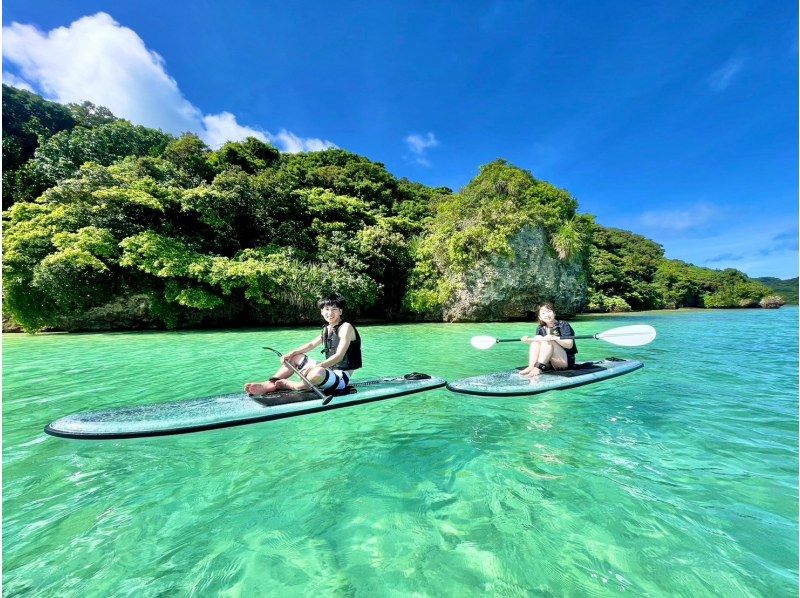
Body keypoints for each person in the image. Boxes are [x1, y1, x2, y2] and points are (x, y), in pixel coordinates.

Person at [244, 295, 362, 396]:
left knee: (317, 372)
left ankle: (296, 386)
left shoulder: (346, 327)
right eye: (326, 309)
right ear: (321, 311)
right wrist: (292, 353)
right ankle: (271, 383)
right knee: (295, 358)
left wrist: (317, 367)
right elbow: (311, 345)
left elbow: (339, 356)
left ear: (340, 311)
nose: (330, 313)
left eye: (334, 309)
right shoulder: (327, 329)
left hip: (341, 378)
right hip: (329, 371)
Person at [519, 303, 578, 378]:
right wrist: (527, 341)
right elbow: (539, 346)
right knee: (537, 338)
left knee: (548, 340)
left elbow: (569, 345)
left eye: (549, 311)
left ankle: (538, 368)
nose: (547, 315)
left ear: (554, 313)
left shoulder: (563, 325)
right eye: (543, 313)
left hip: (564, 361)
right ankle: (531, 366)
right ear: (540, 317)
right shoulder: (540, 328)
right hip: (549, 362)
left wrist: (554, 338)